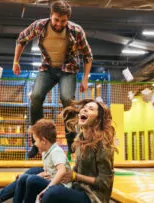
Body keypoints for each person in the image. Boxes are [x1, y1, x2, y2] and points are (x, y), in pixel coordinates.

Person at [13, 0, 93, 157]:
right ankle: (37, 141)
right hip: (47, 69)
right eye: (56, 20)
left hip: (68, 70)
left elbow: (88, 56)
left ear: (67, 19)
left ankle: (72, 142)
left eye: (63, 21)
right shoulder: (39, 26)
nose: (59, 24)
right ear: (51, 16)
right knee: (36, 96)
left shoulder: (76, 31)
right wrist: (15, 62)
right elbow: (21, 39)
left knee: (67, 99)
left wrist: (85, 79)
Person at [0, 119, 72, 203]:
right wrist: (40, 175)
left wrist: (47, 188)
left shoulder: (56, 151)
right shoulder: (45, 152)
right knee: (24, 178)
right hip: (51, 181)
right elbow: (48, 171)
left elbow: (61, 171)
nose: (34, 144)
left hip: (61, 186)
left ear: (43, 141)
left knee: (32, 180)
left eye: (36, 140)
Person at [39, 98, 117, 203]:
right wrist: (59, 172)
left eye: (90, 109)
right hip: (78, 187)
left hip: (93, 196)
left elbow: (104, 182)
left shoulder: (103, 145)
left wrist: (76, 176)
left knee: (52, 192)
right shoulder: (80, 137)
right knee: (34, 179)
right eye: (84, 108)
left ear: (98, 119)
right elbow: (77, 168)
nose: (84, 110)